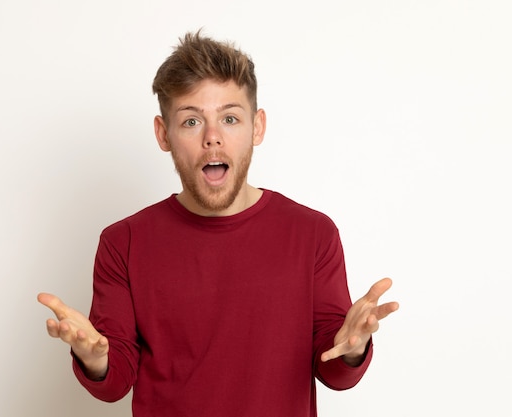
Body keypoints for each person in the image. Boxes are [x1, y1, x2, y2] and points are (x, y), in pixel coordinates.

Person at [38, 31, 399, 417]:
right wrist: (96, 360)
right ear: (164, 134)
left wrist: (354, 348)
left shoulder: (313, 234)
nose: (213, 138)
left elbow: (334, 369)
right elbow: (116, 380)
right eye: (191, 121)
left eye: (229, 118)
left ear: (257, 127)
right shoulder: (122, 242)